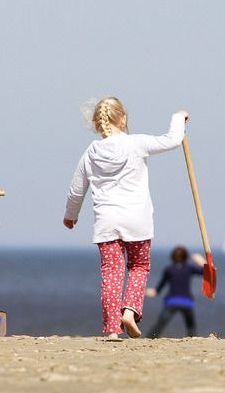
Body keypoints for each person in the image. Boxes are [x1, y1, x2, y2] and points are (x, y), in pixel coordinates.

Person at [63, 96, 188, 339]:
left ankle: (111, 329)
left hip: (106, 222)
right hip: (137, 220)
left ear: (98, 124)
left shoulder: (91, 152)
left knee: (111, 272)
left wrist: (71, 215)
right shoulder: (136, 143)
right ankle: (129, 311)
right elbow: (172, 140)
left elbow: (77, 188)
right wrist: (178, 118)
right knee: (139, 266)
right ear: (123, 118)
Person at [146, 246, 205, 338]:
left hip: (171, 301)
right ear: (186, 257)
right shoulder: (189, 268)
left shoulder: (169, 269)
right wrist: (201, 261)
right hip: (186, 302)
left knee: (160, 325)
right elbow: (206, 271)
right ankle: (193, 340)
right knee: (191, 327)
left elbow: (158, 289)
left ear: (172, 257)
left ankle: (150, 338)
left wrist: (147, 292)